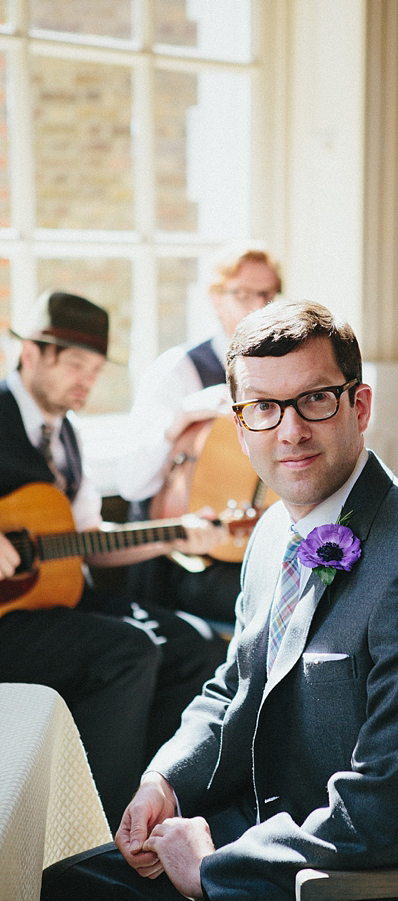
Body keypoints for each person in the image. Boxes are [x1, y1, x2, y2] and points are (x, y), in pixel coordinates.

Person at [42, 299, 398, 901]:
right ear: (239, 424)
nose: (291, 429)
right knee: (70, 883)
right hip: (295, 834)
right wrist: (165, 780)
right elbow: (233, 688)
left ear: (359, 406)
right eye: (263, 408)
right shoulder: (274, 532)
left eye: (315, 399)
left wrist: (211, 870)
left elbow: (389, 816)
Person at [0, 290, 228, 832]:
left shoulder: (67, 435)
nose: (88, 380)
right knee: (127, 653)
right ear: (30, 353)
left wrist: (174, 538)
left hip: (53, 604)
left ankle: (153, 813)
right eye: (76, 363)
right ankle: (92, 838)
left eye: (97, 369)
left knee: (193, 645)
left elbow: (87, 539)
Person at [118, 244, 282, 626]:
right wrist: (182, 417)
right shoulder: (179, 370)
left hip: (253, 546)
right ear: (216, 300)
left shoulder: (281, 371)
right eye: (242, 294)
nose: (257, 306)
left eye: (268, 295)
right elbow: (131, 484)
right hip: (181, 560)